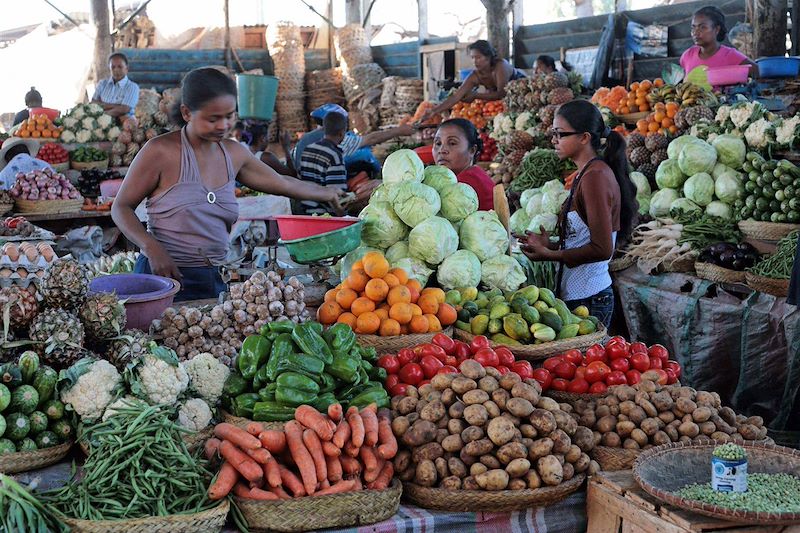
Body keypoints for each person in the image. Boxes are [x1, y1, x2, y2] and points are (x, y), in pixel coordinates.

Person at [111, 68, 346, 301]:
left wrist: (327, 193)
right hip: (162, 276)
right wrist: (152, 248)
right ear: (186, 113)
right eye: (213, 119)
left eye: (230, 116)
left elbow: (282, 182)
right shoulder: (160, 151)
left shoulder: (234, 154)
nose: (223, 125)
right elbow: (120, 207)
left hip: (212, 277)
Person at [516, 100, 637, 329]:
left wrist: (549, 255)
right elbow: (582, 239)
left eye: (560, 134)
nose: (554, 141)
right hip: (579, 297)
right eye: (553, 134)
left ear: (584, 137)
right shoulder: (586, 172)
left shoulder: (595, 177)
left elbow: (602, 249)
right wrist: (550, 244)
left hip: (590, 300)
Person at [421, 40, 526, 121]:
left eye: (478, 57)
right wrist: (434, 111)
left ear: (488, 56)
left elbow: (501, 93)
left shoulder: (500, 66)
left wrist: (476, 95)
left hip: (523, 93)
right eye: (472, 58)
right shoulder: (475, 75)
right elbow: (457, 96)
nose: (475, 61)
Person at [293, 104, 414, 172]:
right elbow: (371, 139)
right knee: (365, 157)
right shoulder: (336, 139)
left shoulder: (305, 138)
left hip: (305, 188)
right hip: (322, 192)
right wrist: (400, 130)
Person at [432, 118, 495, 211]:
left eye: (452, 143)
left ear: (472, 150)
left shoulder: (466, 182)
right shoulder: (471, 173)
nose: (442, 150)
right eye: (438, 143)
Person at [680, 6, 758, 79]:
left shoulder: (730, 55)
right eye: (693, 28)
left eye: (702, 27)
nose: (695, 32)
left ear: (717, 29)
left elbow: (758, 71)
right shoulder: (687, 56)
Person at [297, 112, 349, 215]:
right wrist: (343, 215)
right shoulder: (334, 156)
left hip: (304, 211)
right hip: (323, 215)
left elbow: (301, 178)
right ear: (341, 133)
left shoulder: (308, 149)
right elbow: (335, 196)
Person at [92, 52, 140, 118]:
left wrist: (103, 114)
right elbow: (93, 103)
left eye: (120, 67)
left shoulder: (133, 87)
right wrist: (117, 106)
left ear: (126, 69)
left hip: (124, 124)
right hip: (101, 120)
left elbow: (124, 109)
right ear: (109, 69)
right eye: (113, 67)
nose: (116, 70)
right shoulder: (102, 84)